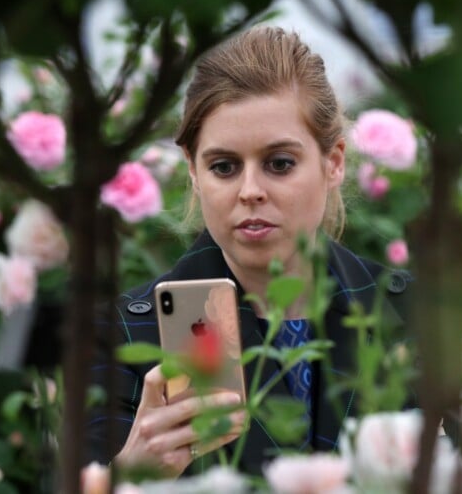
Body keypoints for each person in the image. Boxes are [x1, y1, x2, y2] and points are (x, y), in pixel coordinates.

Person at [85, 26, 411, 477]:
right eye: (224, 167)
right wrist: (131, 474)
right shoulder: (122, 335)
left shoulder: (413, 313)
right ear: (194, 172)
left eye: (279, 163)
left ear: (333, 162)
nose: (250, 191)